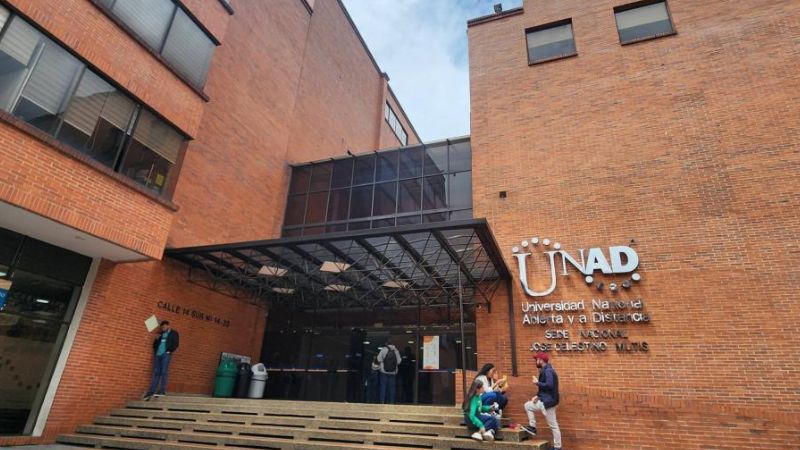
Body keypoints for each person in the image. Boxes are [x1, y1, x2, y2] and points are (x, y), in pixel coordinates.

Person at [522, 352, 562, 450]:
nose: (536, 361)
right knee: (528, 406)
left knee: (553, 425)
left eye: (537, 360)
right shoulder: (546, 369)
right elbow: (545, 390)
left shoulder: (548, 371)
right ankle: (532, 427)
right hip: (548, 400)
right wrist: (537, 396)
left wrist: (537, 383)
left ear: (541, 360)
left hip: (548, 402)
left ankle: (557, 447)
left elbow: (549, 385)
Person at [143, 320, 179, 401]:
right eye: (162, 327)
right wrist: (156, 339)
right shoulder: (160, 334)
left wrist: (169, 351)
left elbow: (176, 343)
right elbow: (154, 346)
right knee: (156, 373)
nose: (163, 328)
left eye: (164, 327)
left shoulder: (174, 333)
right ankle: (152, 390)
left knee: (163, 372)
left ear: (168, 326)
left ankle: (162, 390)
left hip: (166, 355)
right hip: (158, 355)